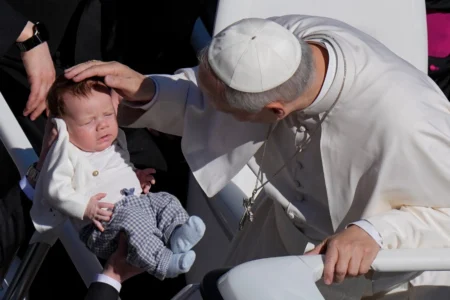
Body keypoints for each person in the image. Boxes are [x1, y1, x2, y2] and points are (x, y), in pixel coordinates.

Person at [65, 15, 450, 299]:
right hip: (277, 234)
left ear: (277, 112)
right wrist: (150, 90)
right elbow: (215, 93)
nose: (209, 107)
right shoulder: (280, 40)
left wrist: (374, 232)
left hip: (367, 278)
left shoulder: (410, 124)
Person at [30, 75, 205, 281]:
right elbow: (55, 190)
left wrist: (135, 176)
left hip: (137, 202)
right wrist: (85, 207)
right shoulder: (67, 154)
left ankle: (176, 233)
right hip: (103, 225)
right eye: (88, 121)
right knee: (135, 223)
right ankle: (163, 262)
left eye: (107, 114)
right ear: (63, 128)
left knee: (166, 200)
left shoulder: (113, 142)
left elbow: (119, 169)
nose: (102, 125)